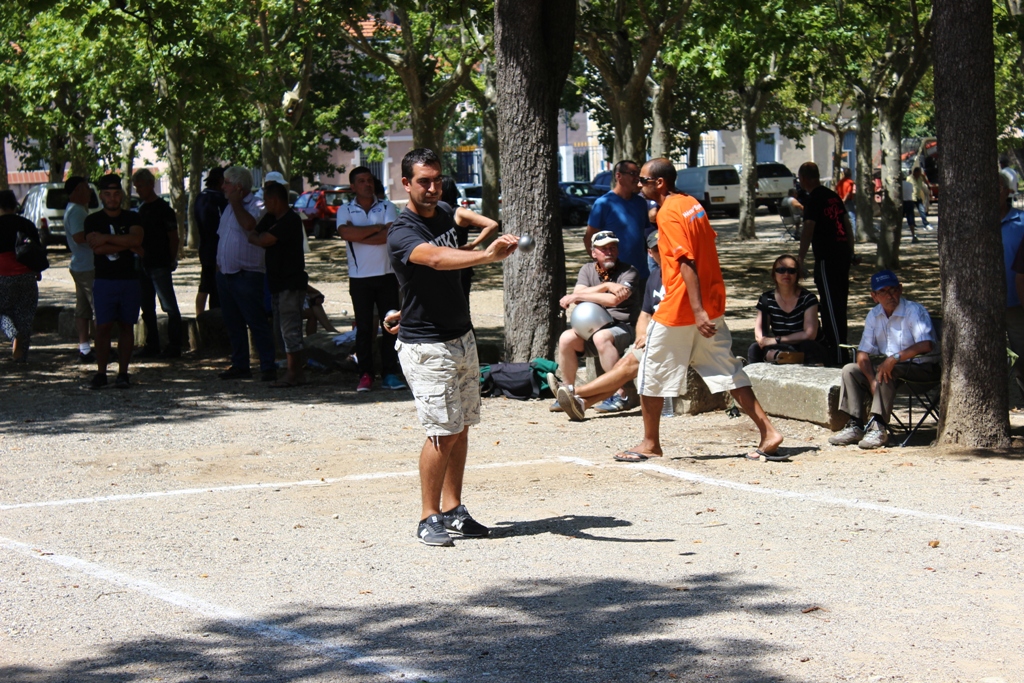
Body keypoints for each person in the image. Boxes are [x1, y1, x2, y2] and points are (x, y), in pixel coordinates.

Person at [386, 147, 519, 547]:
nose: (432, 188)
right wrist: (486, 255)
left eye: (437, 180)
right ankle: (428, 517)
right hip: (428, 346)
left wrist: (405, 307)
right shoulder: (401, 231)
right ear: (406, 184)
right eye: (423, 181)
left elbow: (430, 278)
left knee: (460, 429)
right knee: (441, 433)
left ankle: (453, 510)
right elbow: (437, 260)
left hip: (461, 336)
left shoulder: (445, 212)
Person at [616, 158, 783, 462]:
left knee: (651, 373)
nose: (639, 185)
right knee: (729, 371)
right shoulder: (692, 204)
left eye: (643, 180)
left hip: (680, 309)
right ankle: (769, 432)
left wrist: (696, 311)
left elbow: (685, 261)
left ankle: (650, 443)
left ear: (660, 183)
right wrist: (703, 309)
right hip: (710, 303)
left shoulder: (668, 213)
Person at [553, 230, 663, 420]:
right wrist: (606, 286)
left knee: (601, 337)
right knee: (566, 338)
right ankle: (568, 392)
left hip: (624, 327)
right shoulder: (587, 270)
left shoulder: (629, 271)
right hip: (593, 326)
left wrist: (583, 294)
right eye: (603, 249)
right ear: (593, 252)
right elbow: (578, 294)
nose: (609, 252)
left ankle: (620, 395)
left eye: (612, 247)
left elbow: (614, 300)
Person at [828, 270, 938, 449]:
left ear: (900, 289)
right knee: (850, 370)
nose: (889, 295)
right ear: (874, 296)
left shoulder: (913, 311)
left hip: (922, 371)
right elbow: (863, 353)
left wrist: (894, 358)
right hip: (892, 373)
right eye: (883, 292)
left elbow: (926, 345)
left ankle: (878, 427)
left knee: (887, 370)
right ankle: (855, 424)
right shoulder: (874, 315)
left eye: (893, 290)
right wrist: (872, 381)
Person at [336, 166, 405, 392]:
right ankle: (365, 374)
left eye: (369, 180)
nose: (367, 184)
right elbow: (345, 233)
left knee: (390, 325)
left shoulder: (387, 206)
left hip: (387, 276)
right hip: (359, 278)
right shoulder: (345, 209)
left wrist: (359, 234)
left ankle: (390, 373)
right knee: (364, 328)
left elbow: (389, 235)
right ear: (353, 187)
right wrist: (376, 228)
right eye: (361, 181)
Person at [215, 166, 277, 382]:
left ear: (238, 187)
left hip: (247, 274)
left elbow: (250, 225)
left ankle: (268, 365)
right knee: (233, 322)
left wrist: (236, 203)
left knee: (256, 321)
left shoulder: (257, 205)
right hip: (226, 274)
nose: (223, 187)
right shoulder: (228, 208)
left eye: (227, 183)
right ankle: (240, 364)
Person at [83, 174, 144, 389]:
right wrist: (128, 245)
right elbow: (97, 248)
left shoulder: (133, 217)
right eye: (107, 194)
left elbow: (137, 239)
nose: (112, 198)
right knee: (103, 327)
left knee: (127, 326)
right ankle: (101, 373)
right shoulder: (92, 220)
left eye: (116, 193)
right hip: (104, 280)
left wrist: (106, 238)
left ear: (122, 195)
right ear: (101, 196)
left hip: (130, 280)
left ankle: (123, 373)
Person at [247, 181, 308, 388]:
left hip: (290, 282)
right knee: (280, 329)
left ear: (275, 200)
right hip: (275, 282)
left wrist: (261, 238)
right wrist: (260, 237)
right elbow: (254, 235)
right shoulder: (271, 218)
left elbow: (263, 239)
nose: (265, 204)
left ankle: (294, 372)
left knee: (290, 328)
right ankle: (295, 371)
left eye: (266, 200)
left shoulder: (290, 219)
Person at [796, 161, 854, 367]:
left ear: (803, 178)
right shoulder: (833, 196)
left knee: (831, 307)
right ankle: (838, 350)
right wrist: (851, 251)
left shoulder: (814, 199)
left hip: (827, 257)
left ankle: (838, 354)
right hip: (842, 255)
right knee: (839, 303)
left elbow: (808, 229)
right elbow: (847, 225)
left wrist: (800, 258)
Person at [132, 168, 183, 359]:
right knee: (147, 306)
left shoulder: (164, 209)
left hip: (159, 262)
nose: (138, 190)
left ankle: (174, 344)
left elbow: (173, 237)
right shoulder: (142, 209)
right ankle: (152, 343)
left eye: (141, 186)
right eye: (136, 187)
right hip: (144, 263)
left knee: (169, 305)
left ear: (150, 185)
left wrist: (171, 259)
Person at [747, 254, 826, 365]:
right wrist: (764, 342)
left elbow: (809, 334)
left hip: (805, 346)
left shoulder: (808, 298)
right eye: (781, 270)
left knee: (809, 346)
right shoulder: (766, 299)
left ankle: (787, 358)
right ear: (774, 274)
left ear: (797, 275)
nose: (786, 274)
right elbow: (760, 334)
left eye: (791, 271)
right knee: (755, 348)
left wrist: (776, 340)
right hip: (781, 346)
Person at [584, 159, 650, 283]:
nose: (637, 178)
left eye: (638, 174)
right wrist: (602, 266)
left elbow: (644, 237)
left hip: (641, 273)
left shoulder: (641, 203)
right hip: (615, 276)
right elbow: (589, 238)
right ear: (618, 176)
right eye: (633, 174)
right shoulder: (603, 203)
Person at [439, 175, 500, 307]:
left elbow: (492, 225)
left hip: (460, 265)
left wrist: (472, 244)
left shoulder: (459, 212)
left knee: (461, 306)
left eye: (437, 186)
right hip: (441, 266)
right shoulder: (434, 212)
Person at [0, 190, 42, 362]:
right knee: (25, 314)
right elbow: (37, 250)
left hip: (3, 275)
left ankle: (13, 334)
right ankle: (21, 356)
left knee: (2, 312)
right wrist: (37, 271)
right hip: (27, 275)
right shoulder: (27, 224)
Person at [63, 176, 95, 362]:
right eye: (85, 187)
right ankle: (101, 346)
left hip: (81, 264)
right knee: (98, 306)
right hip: (87, 266)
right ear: (75, 191)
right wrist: (102, 237)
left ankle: (85, 348)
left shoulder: (76, 209)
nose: (89, 191)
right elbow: (78, 236)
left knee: (83, 309)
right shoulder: (76, 211)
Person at [1000, 171, 1024, 394]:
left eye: (998, 187)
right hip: (984, 307)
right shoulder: (976, 222)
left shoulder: (1021, 221)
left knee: (1022, 356)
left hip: (1017, 304)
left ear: (1008, 191)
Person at [194, 167, 227, 315]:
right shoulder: (219, 199)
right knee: (216, 288)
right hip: (217, 248)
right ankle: (215, 319)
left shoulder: (200, 197)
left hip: (205, 247)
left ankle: (200, 318)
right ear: (220, 180)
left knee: (205, 286)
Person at [835, 167, 856, 240]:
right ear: (850, 174)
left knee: (841, 218)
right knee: (853, 218)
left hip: (840, 201)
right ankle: (853, 235)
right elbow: (848, 193)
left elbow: (836, 191)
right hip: (848, 201)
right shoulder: (850, 182)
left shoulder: (840, 182)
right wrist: (844, 200)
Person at [901, 174, 919, 244]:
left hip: (902, 202)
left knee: (899, 220)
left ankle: (897, 236)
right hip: (910, 202)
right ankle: (913, 235)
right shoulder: (910, 184)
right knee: (911, 220)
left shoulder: (899, 185)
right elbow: (912, 192)